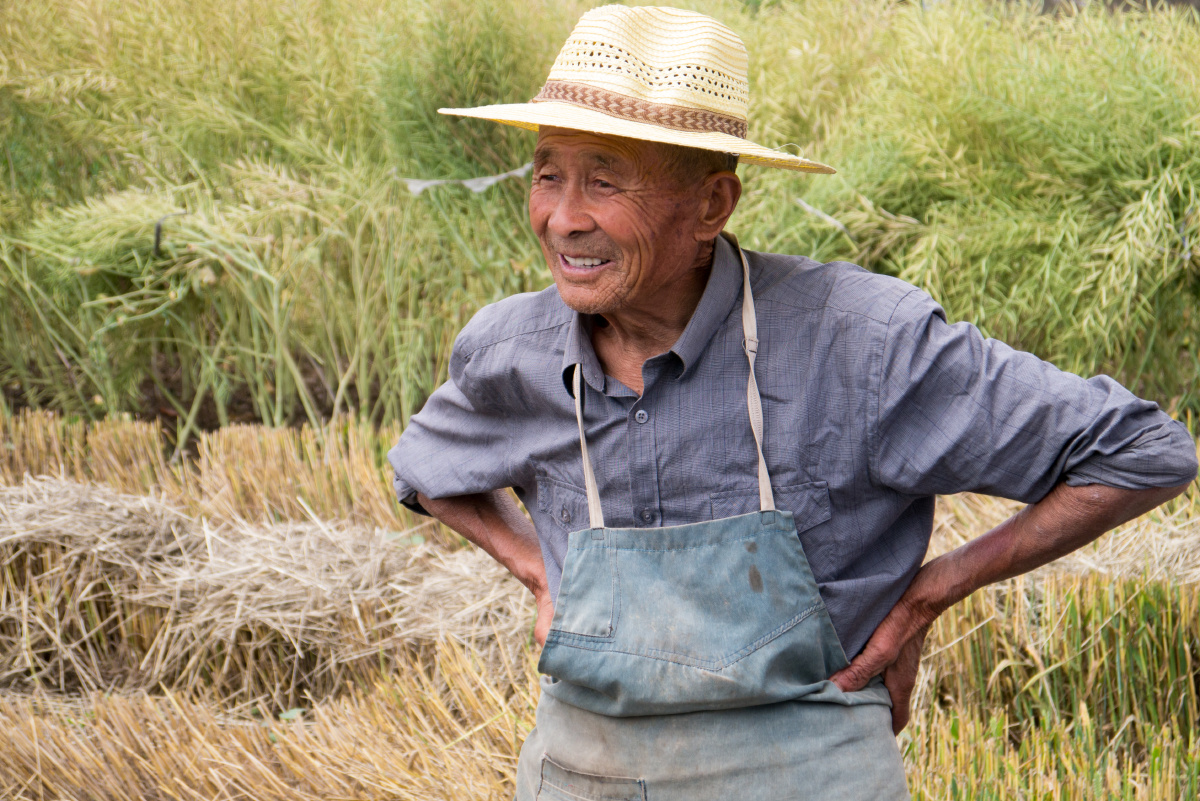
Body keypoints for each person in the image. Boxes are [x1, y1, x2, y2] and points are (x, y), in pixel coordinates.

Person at [387, 6, 1198, 800]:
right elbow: (423, 469)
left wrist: (928, 592)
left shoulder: (860, 343)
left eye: (604, 180)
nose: (563, 218)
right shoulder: (512, 350)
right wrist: (537, 573)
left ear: (712, 205)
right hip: (582, 775)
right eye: (547, 174)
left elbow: (1141, 452)